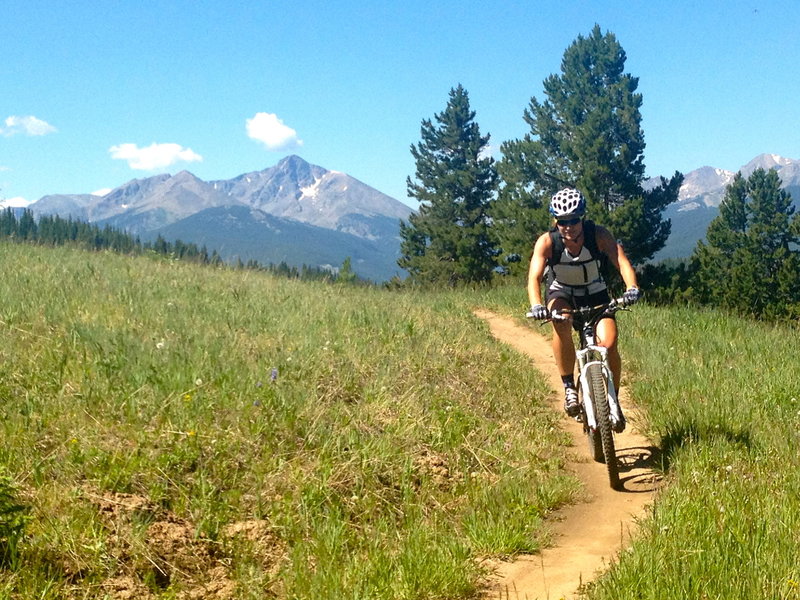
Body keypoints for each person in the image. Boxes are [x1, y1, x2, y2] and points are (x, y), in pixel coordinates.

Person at [527, 188, 641, 419]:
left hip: (595, 293)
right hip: (562, 293)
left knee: (609, 344)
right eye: (562, 221)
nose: (569, 226)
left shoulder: (598, 235)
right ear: (556, 222)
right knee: (562, 323)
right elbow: (534, 278)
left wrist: (632, 288)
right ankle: (569, 385)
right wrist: (537, 305)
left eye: (574, 220)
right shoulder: (548, 242)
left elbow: (620, 261)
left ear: (582, 218)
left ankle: (613, 398)